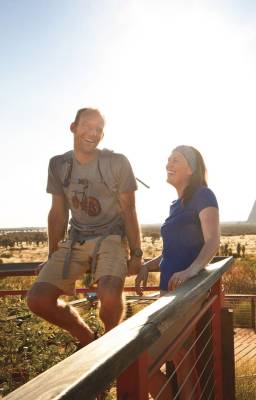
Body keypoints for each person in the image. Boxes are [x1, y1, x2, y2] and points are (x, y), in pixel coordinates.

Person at [27, 108, 143, 348]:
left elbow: (129, 210)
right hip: (76, 238)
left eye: (98, 129)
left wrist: (137, 253)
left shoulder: (116, 162)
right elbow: (58, 213)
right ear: (73, 127)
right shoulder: (58, 165)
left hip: (111, 236)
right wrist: (51, 255)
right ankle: (87, 338)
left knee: (110, 293)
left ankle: (112, 347)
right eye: (87, 126)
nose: (93, 132)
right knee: (38, 300)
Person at [135, 145, 220, 399]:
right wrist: (147, 265)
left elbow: (212, 241)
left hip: (185, 295)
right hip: (169, 295)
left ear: (191, 169)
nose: (168, 164)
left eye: (176, 160)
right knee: (183, 360)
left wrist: (192, 270)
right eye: (168, 159)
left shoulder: (204, 195)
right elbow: (172, 250)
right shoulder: (176, 205)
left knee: (141, 363)